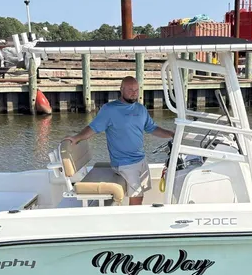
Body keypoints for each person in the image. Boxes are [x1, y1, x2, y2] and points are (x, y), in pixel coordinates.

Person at [64, 76, 174, 205]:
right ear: (121, 89)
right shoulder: (109, 109)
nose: (134, 93)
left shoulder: (140, 109)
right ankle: (133, 218)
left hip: (141, 159)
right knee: (137, 197)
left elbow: (152, 128)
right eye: (130, 90)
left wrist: (171, 134)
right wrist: (76, 137)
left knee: (140, 195)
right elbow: (93, 128)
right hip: (124, 163)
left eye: (136, 90)